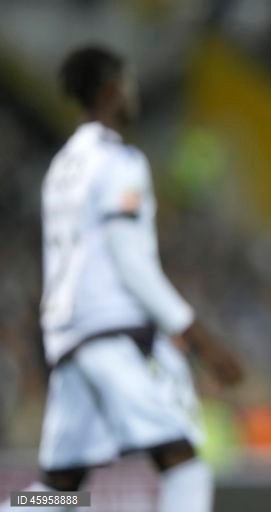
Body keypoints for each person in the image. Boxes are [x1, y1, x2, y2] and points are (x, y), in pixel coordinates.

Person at [0, 45, 243, 512]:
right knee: (184, 465)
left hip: (67, 338)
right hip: (111, 334)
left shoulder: (60, 169)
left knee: (58, 489)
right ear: (111, 90)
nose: (132, 95)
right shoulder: (119, 163)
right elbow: (131, 263)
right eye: (127, 85)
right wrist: (200, 340)